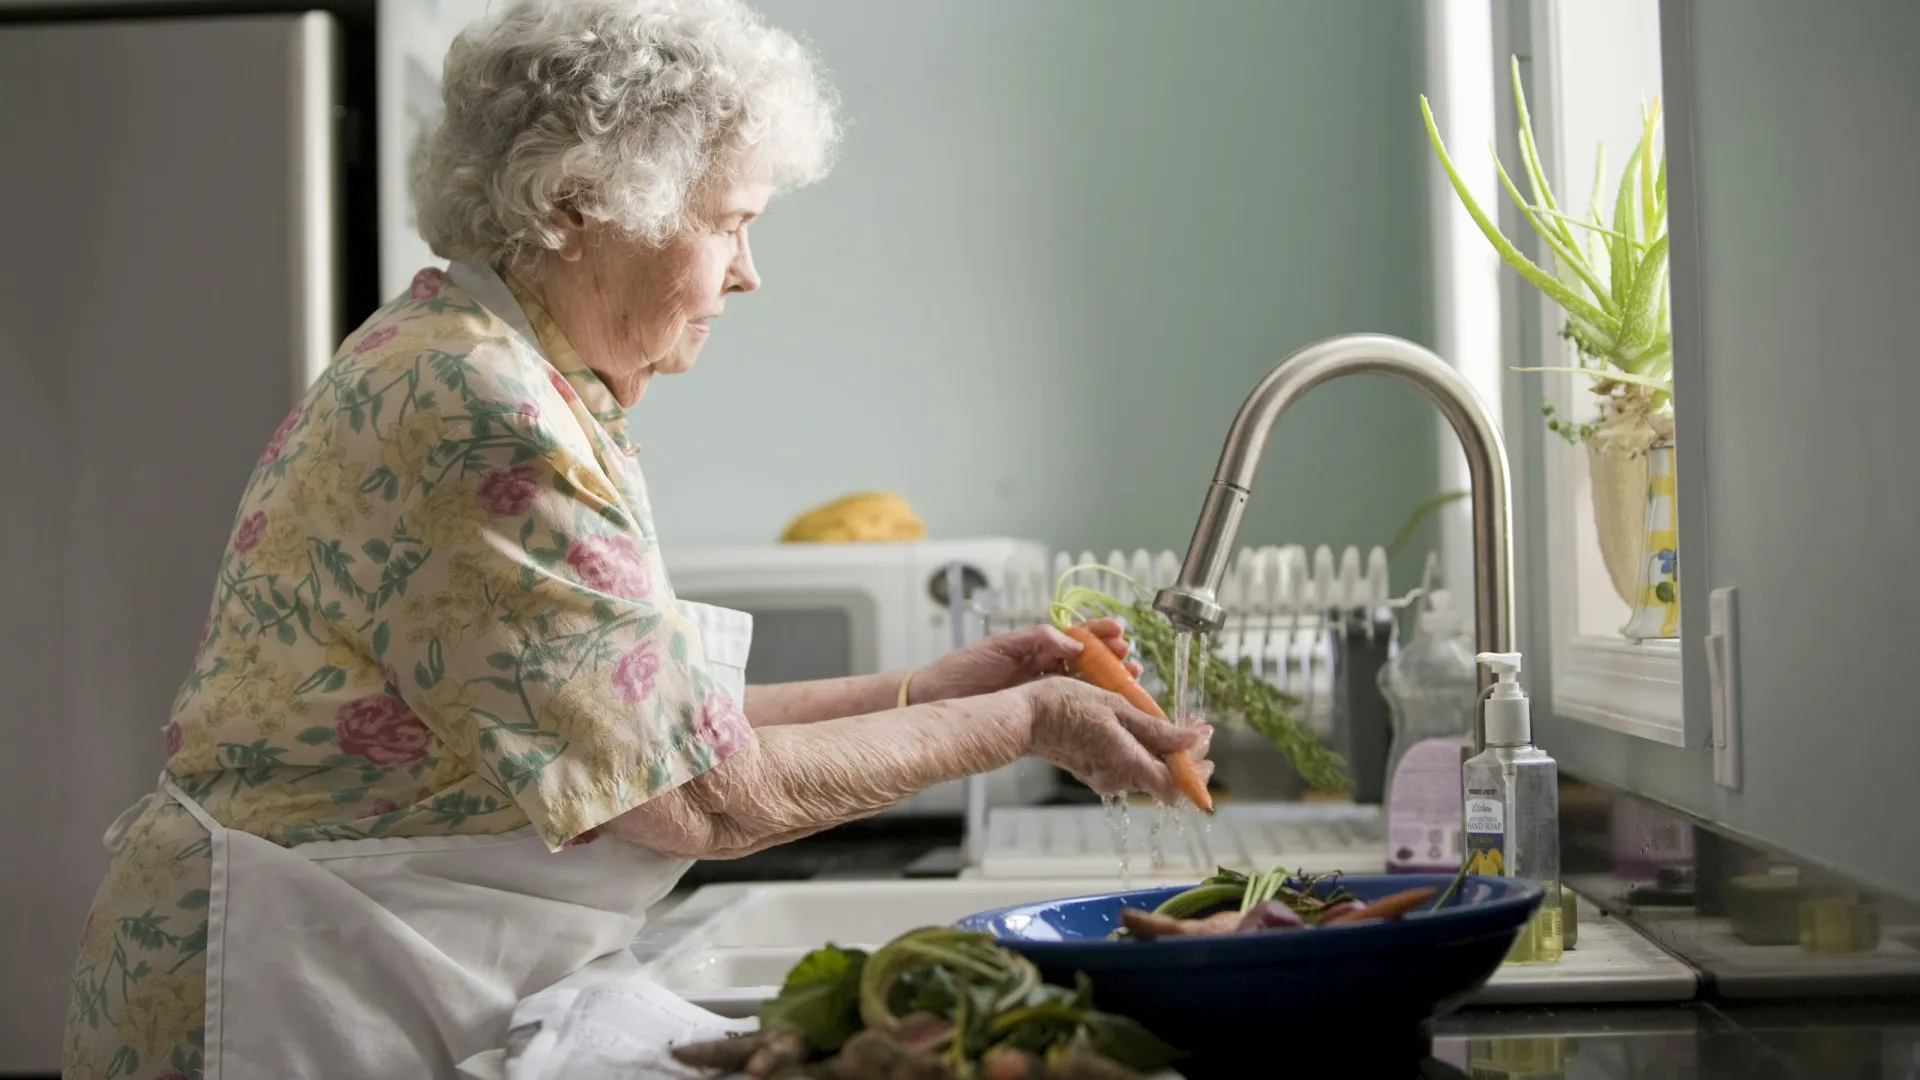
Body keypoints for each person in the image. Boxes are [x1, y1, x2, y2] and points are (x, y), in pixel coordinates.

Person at [62, 2, 1211, 1077]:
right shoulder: (483, 413)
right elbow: (700, 797)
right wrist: (1025, 718)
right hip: (292, 993)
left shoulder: (492, 368)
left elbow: (634, 730)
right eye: (731, 223)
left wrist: (928, 689)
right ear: (576, 207)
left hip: (364, 958)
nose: (749, 273)